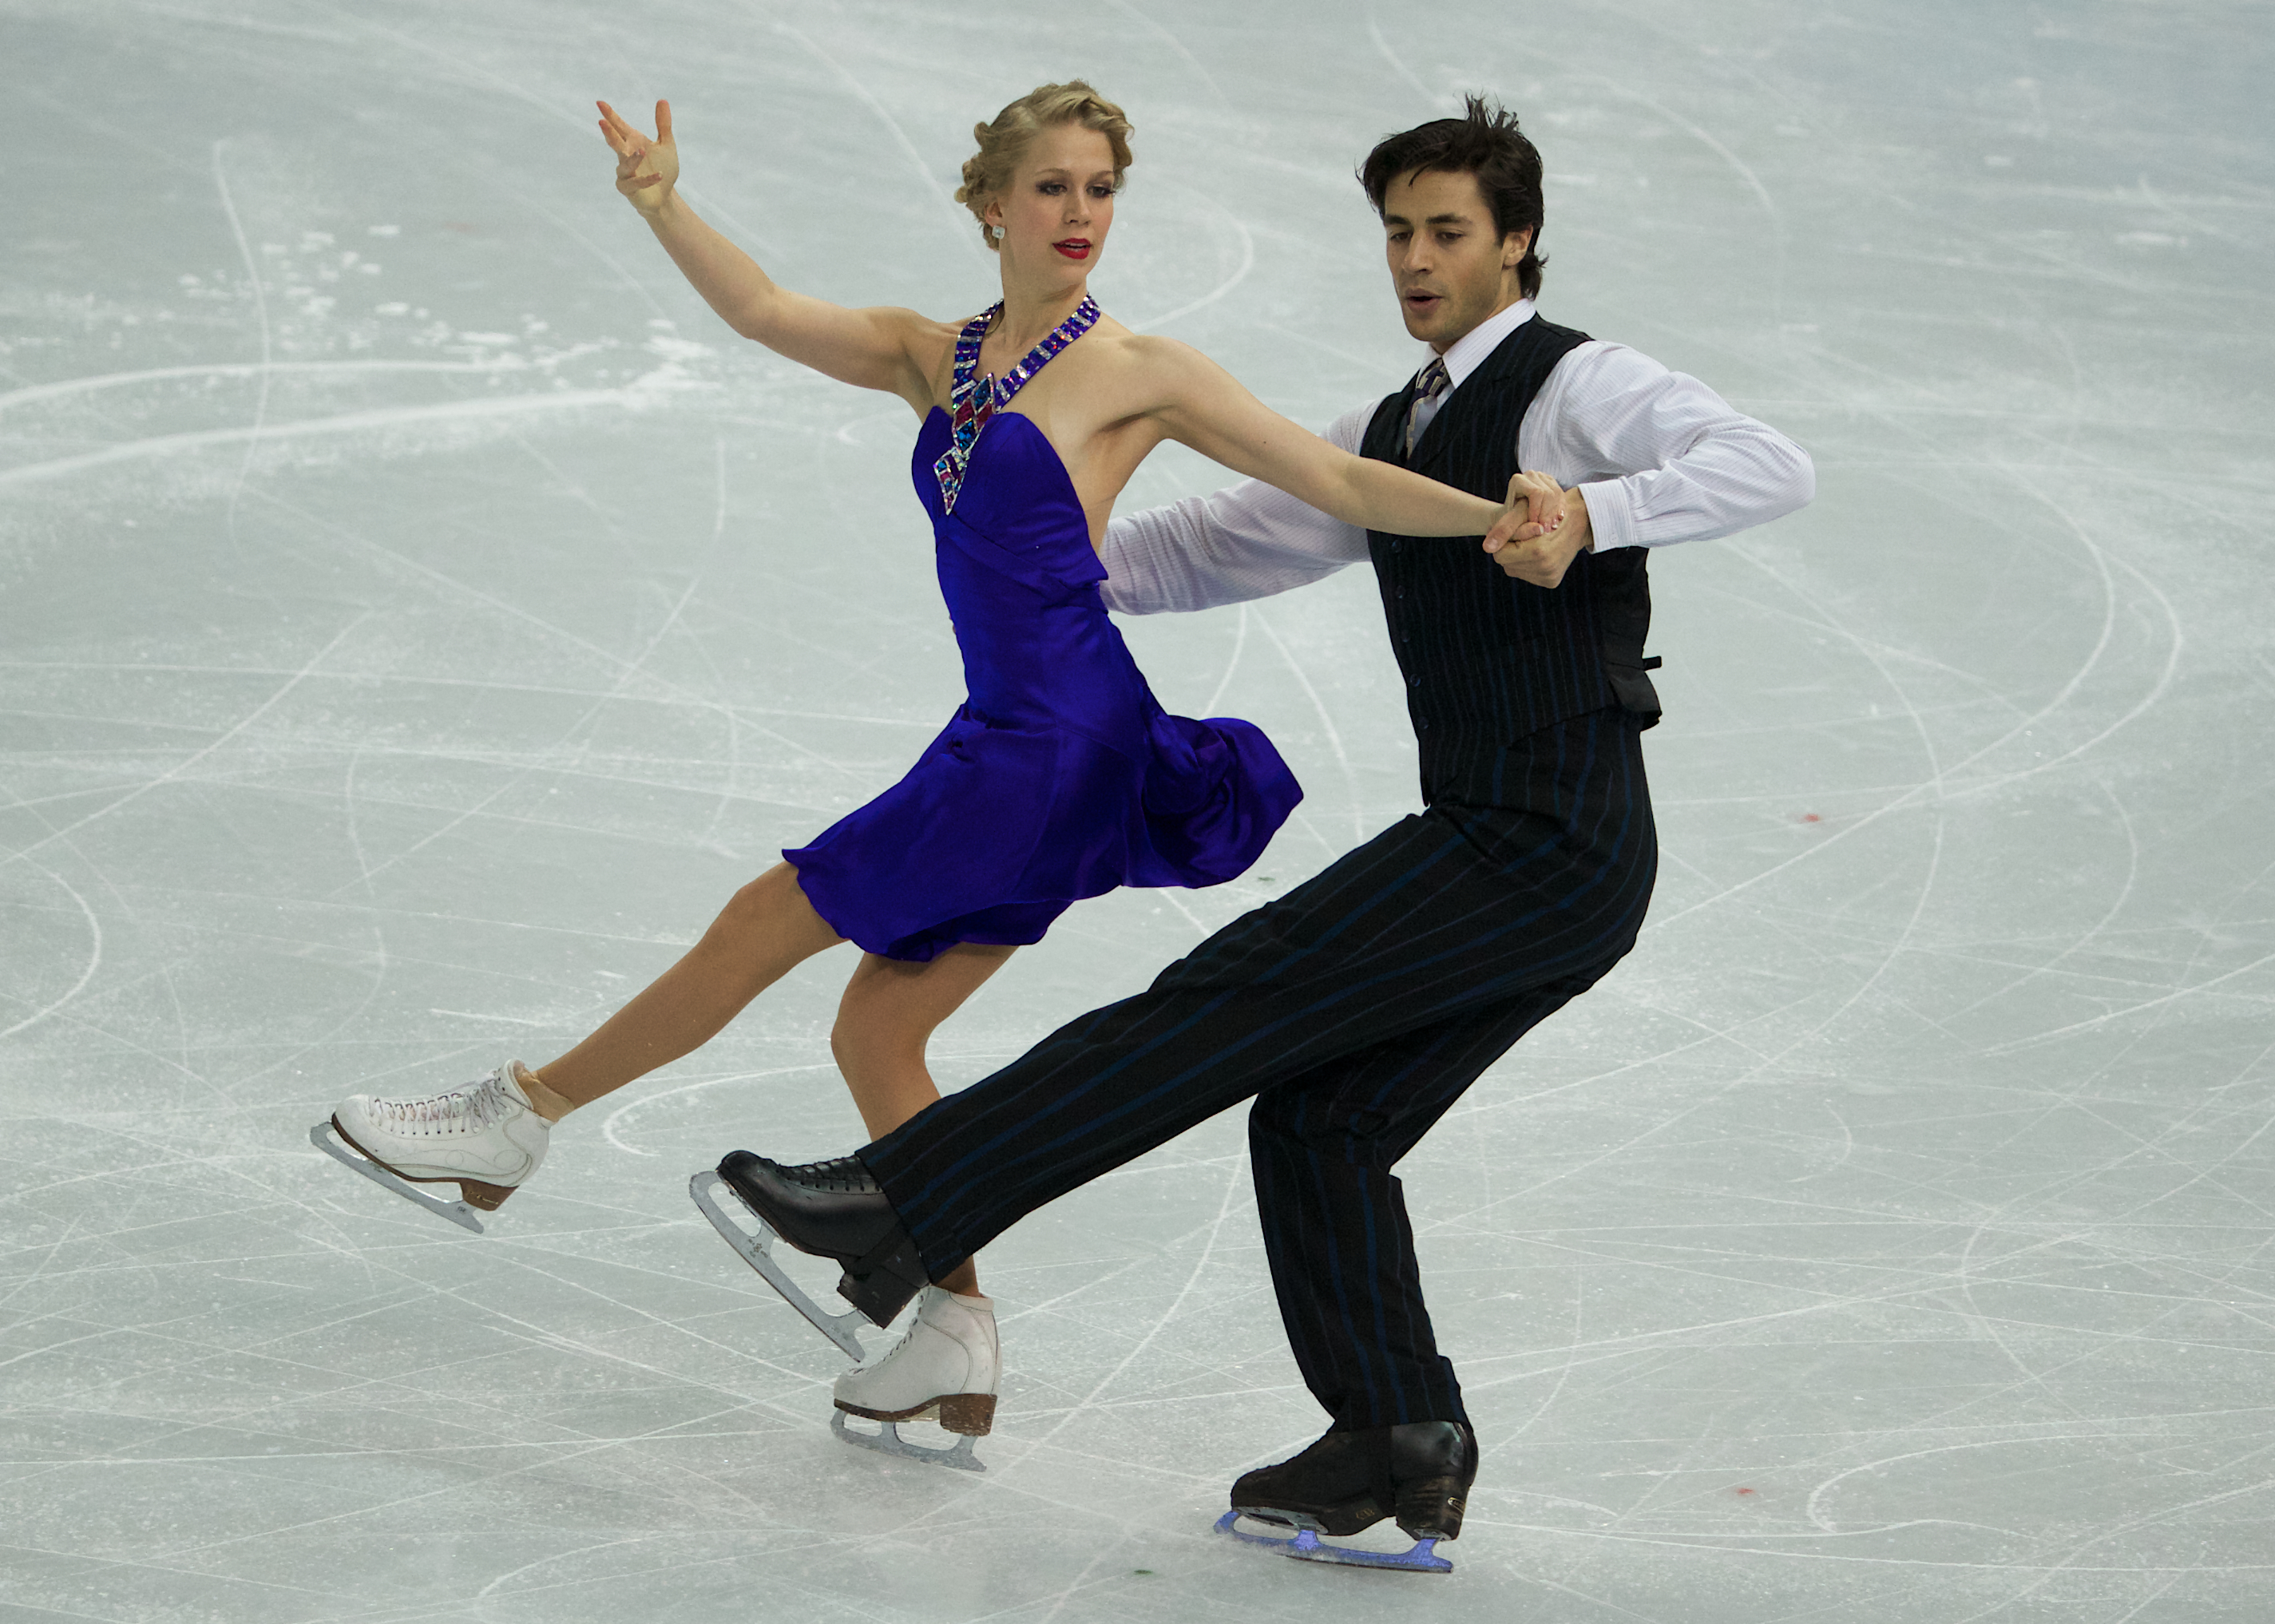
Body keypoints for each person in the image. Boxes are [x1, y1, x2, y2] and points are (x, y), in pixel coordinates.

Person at [311, 82, 1556, 1462]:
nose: (1081, 214)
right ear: (990, 209)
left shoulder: (1144, 369)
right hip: (1009, 731)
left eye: (1099, 191)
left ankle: (512, 1122)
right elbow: (767, 313)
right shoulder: (934, 356)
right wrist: (665, 203)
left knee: (763, 915)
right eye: (1053, 190)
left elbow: (1338, 482)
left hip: (1057, 737)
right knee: (875, 1032)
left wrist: (1500, 516)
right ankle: (953, 1340)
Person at [704, 95, 1813, 1567]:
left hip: (1547, 836)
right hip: (1510, 844)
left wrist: (1592, 516)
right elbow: (1223, 543)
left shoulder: (1574, 385)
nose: (1416, 260)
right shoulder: (1397, 428)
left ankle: (902, 1203)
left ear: (1517, 241)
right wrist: (1043, 546)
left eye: (1448, 233)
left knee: (1228, 995)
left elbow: (1768, 464)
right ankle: (1394, 1434)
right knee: (1322, 1119)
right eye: (1399, 234)